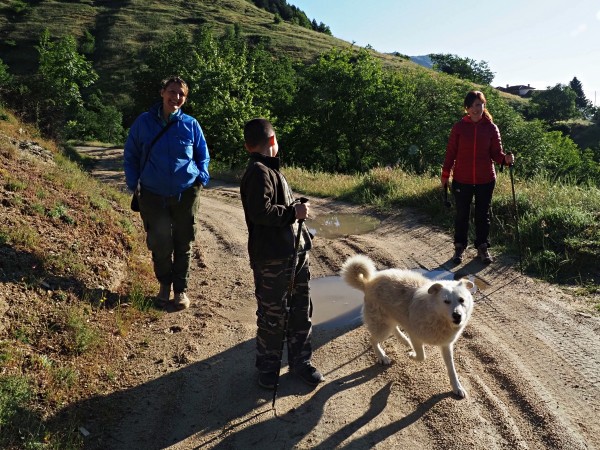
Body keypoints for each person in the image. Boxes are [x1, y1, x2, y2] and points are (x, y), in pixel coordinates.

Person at [240, 118, 323, 389]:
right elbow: (260, 212)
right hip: (272, 260)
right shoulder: (258, 171)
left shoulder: (270, 169)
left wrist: (294, 210)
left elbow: (272, 208)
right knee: (273, 316)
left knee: (301, 310)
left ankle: (301, 362)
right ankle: (268, 369)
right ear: (273, 141)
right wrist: (293, 212)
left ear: (247, 145)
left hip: (295, 254)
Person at [124, 76, 210, 310]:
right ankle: (164, 285)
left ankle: (180, 290)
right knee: (160, 242)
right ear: (162, 92)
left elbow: (202, 154)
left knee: (184, 241)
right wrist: (134, 183)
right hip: (152, 194)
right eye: (172, 92)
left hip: (186, 192)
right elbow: (131, 154)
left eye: (181, 94)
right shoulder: (143, 122)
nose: (176, 97)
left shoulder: (191, 124)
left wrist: (201, 177)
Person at [441, 90, 514, 264]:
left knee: (483, 215)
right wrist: (445, 174)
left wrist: (505, 160)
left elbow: (496, 154)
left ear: (484, 106)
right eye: (473, 105)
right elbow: (451, 153)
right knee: (462, 215)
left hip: (485, 179)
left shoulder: (491, 128)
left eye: (479, 105)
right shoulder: (459, 127)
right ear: (467, 108)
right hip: (462, 179)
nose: (476, 109)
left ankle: (482, 247)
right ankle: (459, 247)